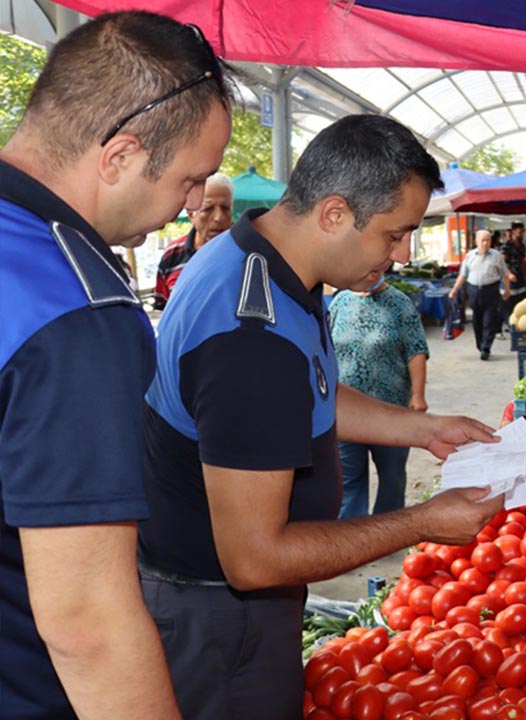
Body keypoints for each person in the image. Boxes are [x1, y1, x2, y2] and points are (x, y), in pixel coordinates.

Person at [141, 114, 504, 719]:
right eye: (394, 235)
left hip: (233, 607)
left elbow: (313, 392)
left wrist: (424, 428)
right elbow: (255, 558)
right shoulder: (250, 335)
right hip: (215, 619)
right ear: (334, 214)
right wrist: (421, 521)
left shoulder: (269, 264)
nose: (402, 254)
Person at [0, 11, 232, 719]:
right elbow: (87, 623)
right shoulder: (77, 313)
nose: (192, 205)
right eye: (192, 179)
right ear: (121, 156)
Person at [329, 269, 430, 519]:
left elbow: (416, 350)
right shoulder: (341, 301)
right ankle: (352, 535)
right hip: (346, 410)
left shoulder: (399, 303)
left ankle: (388, 529)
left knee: (392, 476)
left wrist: (418, 395)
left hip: (390, 408)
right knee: (348, 477)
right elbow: (327, 345)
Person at [153, 172, 233, 309]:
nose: (219, 217)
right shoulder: (172, 255)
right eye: (208, 209)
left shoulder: (247, 252)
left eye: (225, 208)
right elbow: (164, 308)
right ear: (191, 215)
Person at [449, 229, 511, 360]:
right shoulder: (470, 256)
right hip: (474, 291)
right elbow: (463, 274)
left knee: (489, 320)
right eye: (482, 240)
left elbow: (505, 274)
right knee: (477, 320)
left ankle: (486, 347)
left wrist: (507, 290)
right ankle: (480, 345)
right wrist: (455, 289)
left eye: (487, 240)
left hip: (491, 291)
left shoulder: (496, 256)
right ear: (476, 241)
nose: (485, 243)